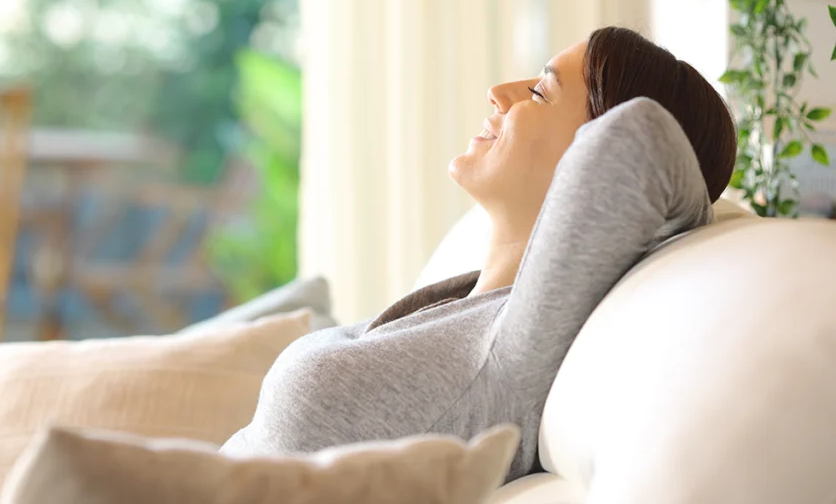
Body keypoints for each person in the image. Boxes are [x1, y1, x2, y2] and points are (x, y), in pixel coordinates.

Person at [220, 26, 738, 482]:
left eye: (539, 91)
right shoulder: (460, 305)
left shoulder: (511, 353)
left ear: (590, 152)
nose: (496, 94)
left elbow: (642, 138)